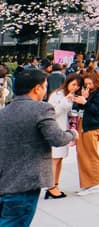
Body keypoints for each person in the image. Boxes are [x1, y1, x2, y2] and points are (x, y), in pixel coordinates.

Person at [0, 69, 78, 227]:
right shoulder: (41, 108)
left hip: (4, 182)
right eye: (45, 86)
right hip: (25, 184)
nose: (45, 90)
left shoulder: (4, 112)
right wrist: (72, 133)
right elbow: (57, 138)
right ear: (37, 88)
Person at [74, 69, 99, 196]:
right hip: (85, 124)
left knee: (91, 155)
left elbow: (98, 110)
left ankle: (95, 184)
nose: (88, 86)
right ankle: (87, 183)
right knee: (82, 155)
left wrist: (85, 102)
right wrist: (83, 100)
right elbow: (85, 108)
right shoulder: (92, 92)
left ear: (97, 81)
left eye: (90, 83)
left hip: (93, 127)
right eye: (86, 84)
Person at [46, 73, 83, 199]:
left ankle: (56, 185)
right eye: (73, 84)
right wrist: (65, 101)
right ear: (67, 82)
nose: (75, 87)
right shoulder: (57, 95)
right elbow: (52, 113)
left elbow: (68, 112)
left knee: (60, 158)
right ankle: (51, 187)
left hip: (64, 129)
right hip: (55, 129)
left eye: (78, 86)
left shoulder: (70, 95)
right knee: (55, 159)